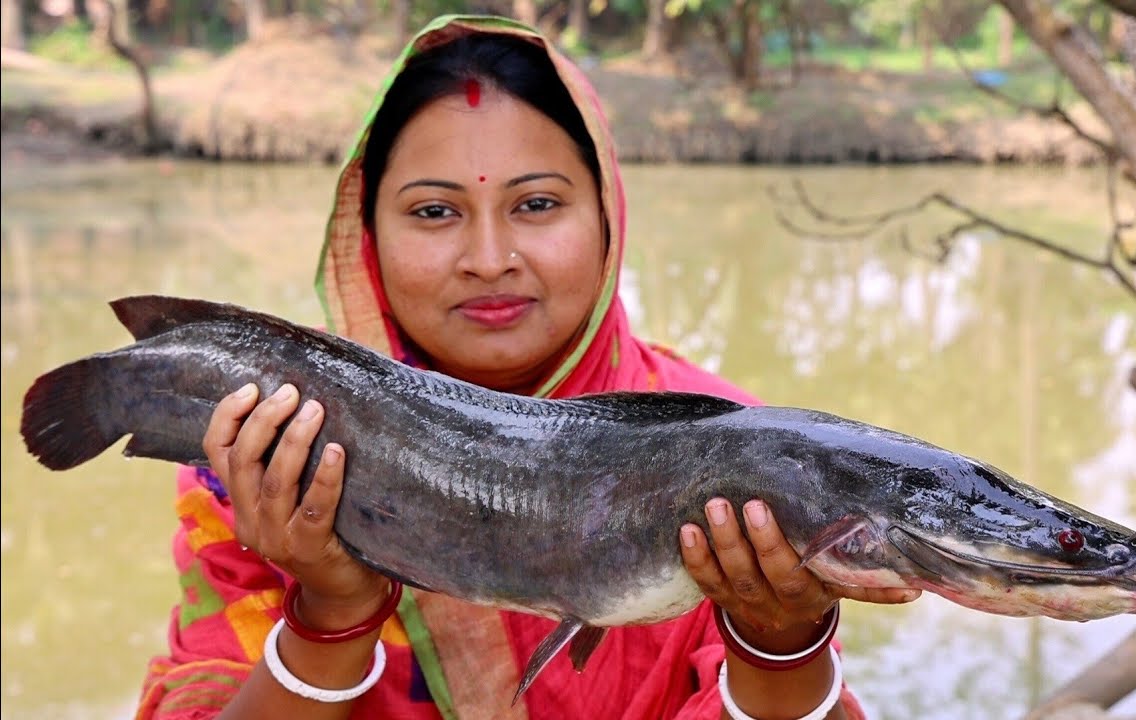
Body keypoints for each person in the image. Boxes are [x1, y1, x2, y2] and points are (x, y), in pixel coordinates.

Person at [134, 14, 918, 720]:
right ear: (366, 232)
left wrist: (781, 645)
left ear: (607, 214)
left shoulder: (742, 456)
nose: (489, 259)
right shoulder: (273, 441)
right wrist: (331, 612)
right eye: (434, 212)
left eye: (537, 205)